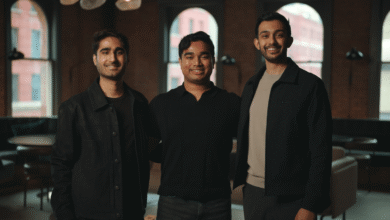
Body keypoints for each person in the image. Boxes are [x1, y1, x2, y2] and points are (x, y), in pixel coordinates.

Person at [233, 12, 332, 220]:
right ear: (257, 43)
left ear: (289, 40)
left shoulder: (310, 86)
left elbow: (321, 151)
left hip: (294, 198)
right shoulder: (251, 86)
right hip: (253, 193)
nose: (271, 41)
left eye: (278, 35)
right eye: (265, 35)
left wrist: (310, 205)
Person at [51, 30, 153, 220]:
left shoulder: (140, 103)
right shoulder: (73, 108)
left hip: (131, 211)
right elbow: (61, 166)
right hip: (87, 213)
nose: (112, 58)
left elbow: (145, 155)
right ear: (95, 59)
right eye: (105, 52)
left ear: (127, 58)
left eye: (119, 51)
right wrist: (64, 214)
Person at [149, 31, 240, 220]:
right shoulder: (161, 104)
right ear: (180, 61)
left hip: (218, 204)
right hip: (172, 203)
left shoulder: (231, 103)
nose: (197, 63)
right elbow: (147, 152)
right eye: (189, 57)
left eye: (204, 56)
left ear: (213, 61)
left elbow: (250, 147)